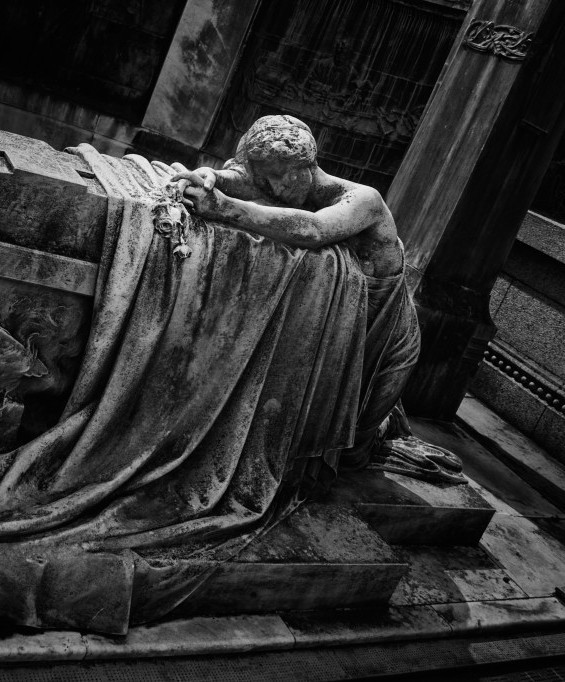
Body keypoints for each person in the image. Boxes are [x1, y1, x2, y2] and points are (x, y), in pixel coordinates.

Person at [174, 115, 463, 482]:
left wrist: (224, 207)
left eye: (278, 176)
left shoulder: (363, 200)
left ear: (305, 169)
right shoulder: (277, 181)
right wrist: (209, 177)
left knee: (353, 449)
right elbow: (242, 178)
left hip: (385, 331)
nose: (272, 187)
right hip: (336, 323)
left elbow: (313, 230)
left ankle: (383, 435)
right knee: (323, 425)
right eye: (265, 177)